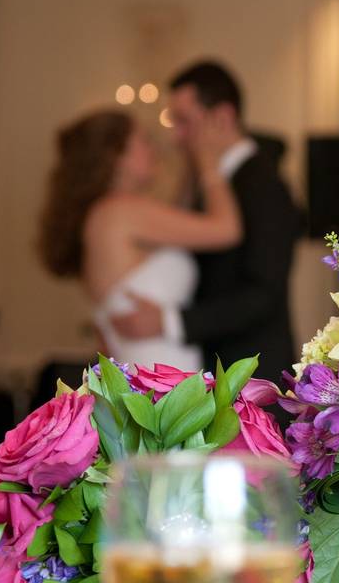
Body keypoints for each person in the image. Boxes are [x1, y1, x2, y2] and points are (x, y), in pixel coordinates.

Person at [110, 61, 303, 384]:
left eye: (184, 122)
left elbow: (263, 293)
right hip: (216, 366)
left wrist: (170, 321)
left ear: (223, 117)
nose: (176, 137)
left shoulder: (263, 183)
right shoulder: (214, 182)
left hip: (253, 375)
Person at [38, 110, 242, 369]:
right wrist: (210, 166)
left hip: (145, 375)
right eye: (144, 141)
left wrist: (191, 166)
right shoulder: (121, 211)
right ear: (118, 157)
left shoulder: (103, 215)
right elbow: (226, 230)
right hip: (160, 381)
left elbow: (176, 222)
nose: (154, 150)